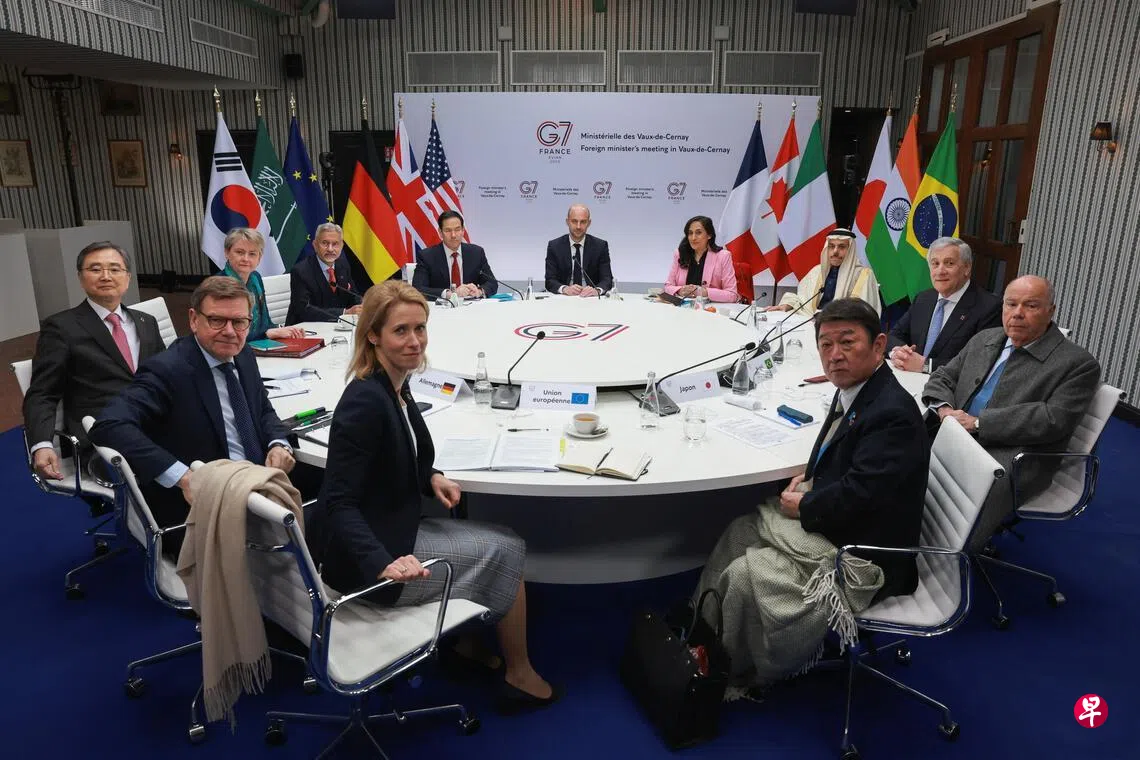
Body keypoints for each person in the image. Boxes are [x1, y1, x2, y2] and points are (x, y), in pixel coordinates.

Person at [305, 280, 558, 711]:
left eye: (420, 328)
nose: (415, 341)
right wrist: (382, 562)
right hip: (370, 564)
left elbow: (395, 455)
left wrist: (431, 477)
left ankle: (465, 648)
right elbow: (338, 502)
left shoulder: (394, 384)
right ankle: (519, 674)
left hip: (390, 528)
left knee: (488, 539)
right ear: (373, 336)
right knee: (509, 548)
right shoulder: (366, 401)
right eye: (400, 331)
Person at [694, 298, 928, 688]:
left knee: (747, 573)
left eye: (847, 342)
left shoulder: (891, 414)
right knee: (739, 531)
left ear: (879, 345)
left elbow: (863, 495)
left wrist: (806, 504)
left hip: (868, 555)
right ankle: (701, 631)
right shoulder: (859, 386)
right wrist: (812, 472)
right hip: (849, 522)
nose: (834, 355)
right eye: (825, 344)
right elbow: (856, 459)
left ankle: (729, 670)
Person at [89, 276, 296, 558]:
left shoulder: (243, 353)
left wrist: (278, 442)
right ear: (194, 320)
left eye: (239, 322)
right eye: (216, 320)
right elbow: (108, 425)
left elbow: (262, 408)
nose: (229, 331)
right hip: (204, 503)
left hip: (258, 480)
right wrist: (183, 477)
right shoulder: (167, 370)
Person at [921, 275, 1100, 546]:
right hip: (954, 431)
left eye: (1031, 305)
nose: (1017, 313)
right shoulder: (984, 339)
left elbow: (1053, 419)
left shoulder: (1078, 364)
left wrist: (977, 423)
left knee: (967, 494)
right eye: (1011, 304)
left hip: (1016, 455)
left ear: (1051, 311)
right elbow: (943, 376)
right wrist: (945, 411)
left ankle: (946, 556)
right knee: (899, 452)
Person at [23, 241, 165, 489]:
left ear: (128, 278)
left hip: (154, 423)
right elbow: (42, 393)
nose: (106, 276)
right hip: (102, 437)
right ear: (81, 278)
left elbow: (164, 376)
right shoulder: (61, 327)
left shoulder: (146, 322)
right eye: (95, 269)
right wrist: (41, 444)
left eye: (114, 269)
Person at [888, 237, 1001, 373]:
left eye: (949, 263)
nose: (940, 271)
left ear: (967, 268)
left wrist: (926, 365)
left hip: (950, 384)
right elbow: (893, 336)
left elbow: (980, 361)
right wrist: (898, 353)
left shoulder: (989, 307)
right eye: (935, 264)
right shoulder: (924, 299)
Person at [765, 229, 882, 315]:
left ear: (850, 250)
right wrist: (788, 304)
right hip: (810, 323)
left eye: (841, 247)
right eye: (831, 246)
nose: (835, 252)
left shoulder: (864, 275)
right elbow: (802, 301)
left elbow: (862, 313)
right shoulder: (817, 272)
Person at [220, 228, 304, 341]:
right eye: (239, 252)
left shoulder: (255, 278)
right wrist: (267, 334)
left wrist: (283, 330)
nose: (245, 259)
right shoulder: (219, 285)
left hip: (262, 343)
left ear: (259, 258)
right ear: (227, 253)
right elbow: (225, 334)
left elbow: (266, 321)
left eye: (252, 254)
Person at [285, 223, 364, 324]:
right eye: (325, 243)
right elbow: (304, 310)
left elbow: (354, 296)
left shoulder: (342, 265)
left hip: (336, 327)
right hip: (304, 329)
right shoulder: (301, 271)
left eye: (335, 244)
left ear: (341, 246)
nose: (330, 249)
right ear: (315, 245)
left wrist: (361, 307)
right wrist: (344, 312)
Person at [413, 211, 498, 300]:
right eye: (448, 230)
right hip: (442, 307)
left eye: (457, 230)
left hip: (471, 305)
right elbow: (418, 289)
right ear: (440, 232)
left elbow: (492, 283)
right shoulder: (427, 256)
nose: (453, 235)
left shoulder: (476, 253)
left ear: (463, 231)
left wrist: (479, 291)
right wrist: (450, 294)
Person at [663, 215, 739, 302]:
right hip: (682, 306)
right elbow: (668, 287)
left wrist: (703, 292)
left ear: (709, 235)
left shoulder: (723, 256)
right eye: (690, 233)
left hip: (711, 308)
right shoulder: (680, 253)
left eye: (698, 233)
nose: (693, 238)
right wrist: (680, 290)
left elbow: (732, 295)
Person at [544, 203, 613, 296]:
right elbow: (549, 280)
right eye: (574, 221)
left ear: (589, 223)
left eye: (583, 222)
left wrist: (596, 290)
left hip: (591, 299)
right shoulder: (554, 246)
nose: (578, 226)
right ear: (567, 222)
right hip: (565, 298)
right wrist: (564, 289)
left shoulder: (600, 246)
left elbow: (607, 279)